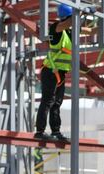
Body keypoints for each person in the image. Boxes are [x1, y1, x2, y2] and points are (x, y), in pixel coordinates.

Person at [33, 3, 75, 142]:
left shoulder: (69, 31)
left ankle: (56, 132)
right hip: (50, 70)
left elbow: (89, 31)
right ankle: (40, 131)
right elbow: (69, 22)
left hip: (60, 73)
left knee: (57, 102)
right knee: (48, 100)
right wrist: (80, 14)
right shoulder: (56, 28)